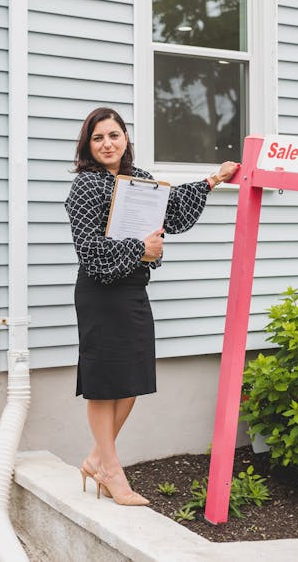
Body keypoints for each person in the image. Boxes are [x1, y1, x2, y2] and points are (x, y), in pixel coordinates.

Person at [65, 106, 240, 506]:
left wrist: (214, 179)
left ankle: (94, 459)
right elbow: (90, 250)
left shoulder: (139, 181)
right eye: (98, 138)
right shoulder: (86, 187)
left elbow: (173, 208)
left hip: (132, 291)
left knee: (133, 379)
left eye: (113, 135)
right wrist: (140, 248)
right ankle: (111, 471)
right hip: (99, 292)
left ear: (125, 138)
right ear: (87, 146)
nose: (107, 143)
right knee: (103, 383)